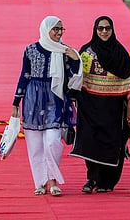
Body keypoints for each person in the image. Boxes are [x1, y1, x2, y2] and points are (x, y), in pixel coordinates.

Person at [11, 16, 83, 196]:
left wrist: (75, 59)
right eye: (55, 29)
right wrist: (16, 102)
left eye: (61, 29)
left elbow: (73, 78)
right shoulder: (30, 50)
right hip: (33, 100)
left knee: (52, 142)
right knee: (35, 146)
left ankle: (53, 180)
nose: (59, 33)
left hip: (56, 99)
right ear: (46, 29)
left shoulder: (65, 51)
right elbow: (24, 75)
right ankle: (40, 182)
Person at [70, 16, 130, 194]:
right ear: (95, 30)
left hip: (113, 108)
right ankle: (92, 178)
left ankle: (107, 181)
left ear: (112, 30)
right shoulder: (86, 51)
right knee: (90, 140)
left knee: (112, 142)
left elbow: (128, 79)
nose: (104, 32)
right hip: (90, 106)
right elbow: (77, 77)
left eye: (107, 28)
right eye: (100, 28)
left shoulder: (120, 53)